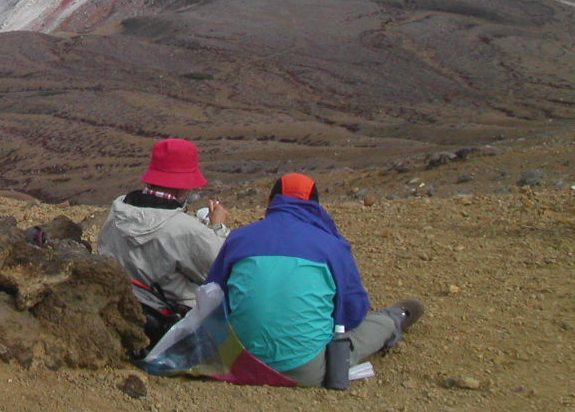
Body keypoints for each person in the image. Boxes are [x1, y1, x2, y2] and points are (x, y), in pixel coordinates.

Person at [205, 173, 424, 387]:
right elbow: (354, 312)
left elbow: (212, 298)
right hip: (307, 371)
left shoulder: (239, 238)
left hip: (239, 363)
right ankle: (393, 319)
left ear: (271, 202)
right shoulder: (332, 246)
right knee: (364, 330)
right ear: (315, 206)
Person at [97, 137, 229, 343]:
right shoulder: (186, 229)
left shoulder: (118, 209)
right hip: (168, 327)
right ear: (184, 186)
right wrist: (218, 227)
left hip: (115, 308)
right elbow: (220, 269)